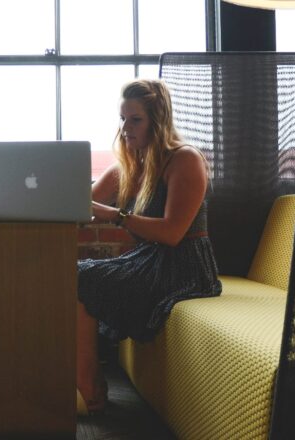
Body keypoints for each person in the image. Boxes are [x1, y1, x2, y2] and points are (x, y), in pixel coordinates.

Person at [76, 79, 222, 413]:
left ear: (157, 121)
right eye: (122, 119)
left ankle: (88, 385)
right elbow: (80, 204)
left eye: (135, 119)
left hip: (185, 265)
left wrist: (115, 215)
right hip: (148, 260)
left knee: (81, 277)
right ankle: (87, 380)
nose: (125, 128)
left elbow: (172, 233)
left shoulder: (184, 159)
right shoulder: (128, 166)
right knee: (75, 274)